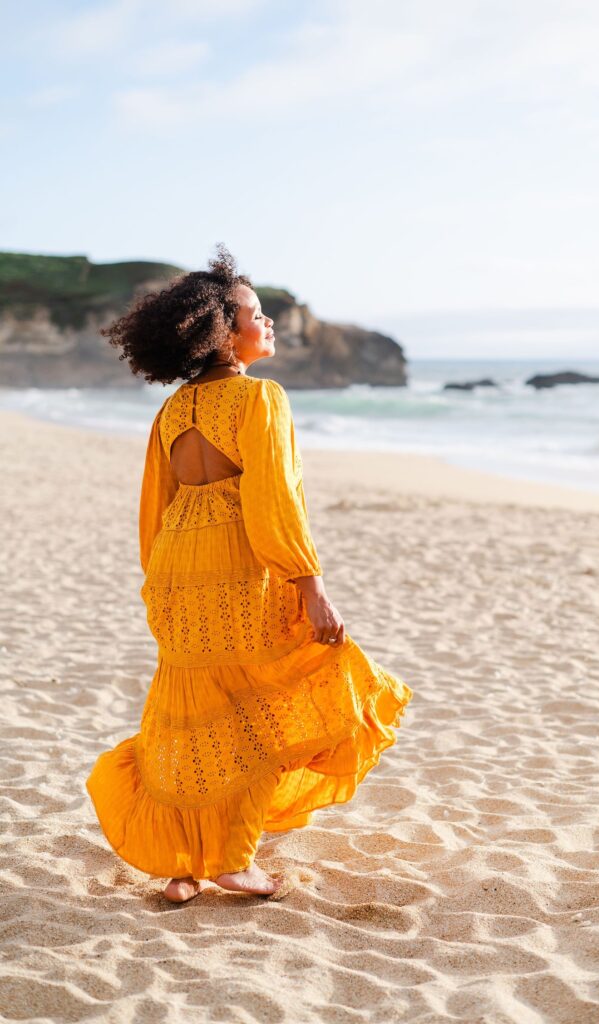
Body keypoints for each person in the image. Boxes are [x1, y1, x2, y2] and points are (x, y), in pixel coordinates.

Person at [85, 245, 413, 903]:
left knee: (195, 712)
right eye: (255, 315)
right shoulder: (260, 397)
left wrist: (159, 586)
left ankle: (184, 866)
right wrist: (309, 584)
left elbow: (157, 508)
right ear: (221, 331)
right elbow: (274, 501)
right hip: (241, 565)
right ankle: (233, 860)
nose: (267, 325)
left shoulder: (171, 411)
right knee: (263, 710)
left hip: (179, 567)